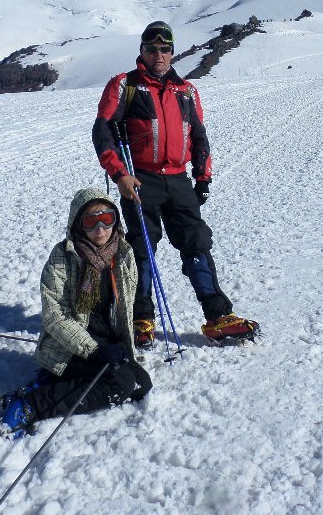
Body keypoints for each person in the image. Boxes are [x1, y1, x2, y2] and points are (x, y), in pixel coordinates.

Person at [92, 20, 260, 348]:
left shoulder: (186, 91)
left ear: (172, 53)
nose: (158, 54)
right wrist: (120, 175)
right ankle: (140, 319)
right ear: (141, 51)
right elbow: (102, 131)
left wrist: (202, 177)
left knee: (196, 243)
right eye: (151, 48)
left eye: (164, 49)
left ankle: (217, 317)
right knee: (142, 248)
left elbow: (198, 136)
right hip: (140, 180)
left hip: (179, 180)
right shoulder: (124, 85)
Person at [0, 188, 152, 439]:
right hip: (71, 346)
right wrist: (95, 350)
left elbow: (126, 305)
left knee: (141, 384)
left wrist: (123, 345)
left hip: (107, 342)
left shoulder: (123, 253)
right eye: (91, 221)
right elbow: (55, 317)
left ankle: (47, 383)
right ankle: (31, 405)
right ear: (77, 224)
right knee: (120, 384)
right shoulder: (63, 258)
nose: (100, 228)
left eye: (107, 218)